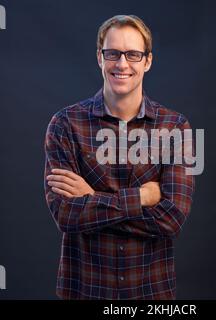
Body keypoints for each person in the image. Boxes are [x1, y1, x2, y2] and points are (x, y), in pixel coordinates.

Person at [44, 14, 195, 300]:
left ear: (147, 61)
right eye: (112, 53)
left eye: (133, 54)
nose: (122, 64)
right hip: (84, 290)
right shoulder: (65, 124)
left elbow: (172, 218)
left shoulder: (175, 127)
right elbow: (66, 214)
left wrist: (93, 199)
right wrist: (141, 197)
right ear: (100, 58)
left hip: (152, 294)